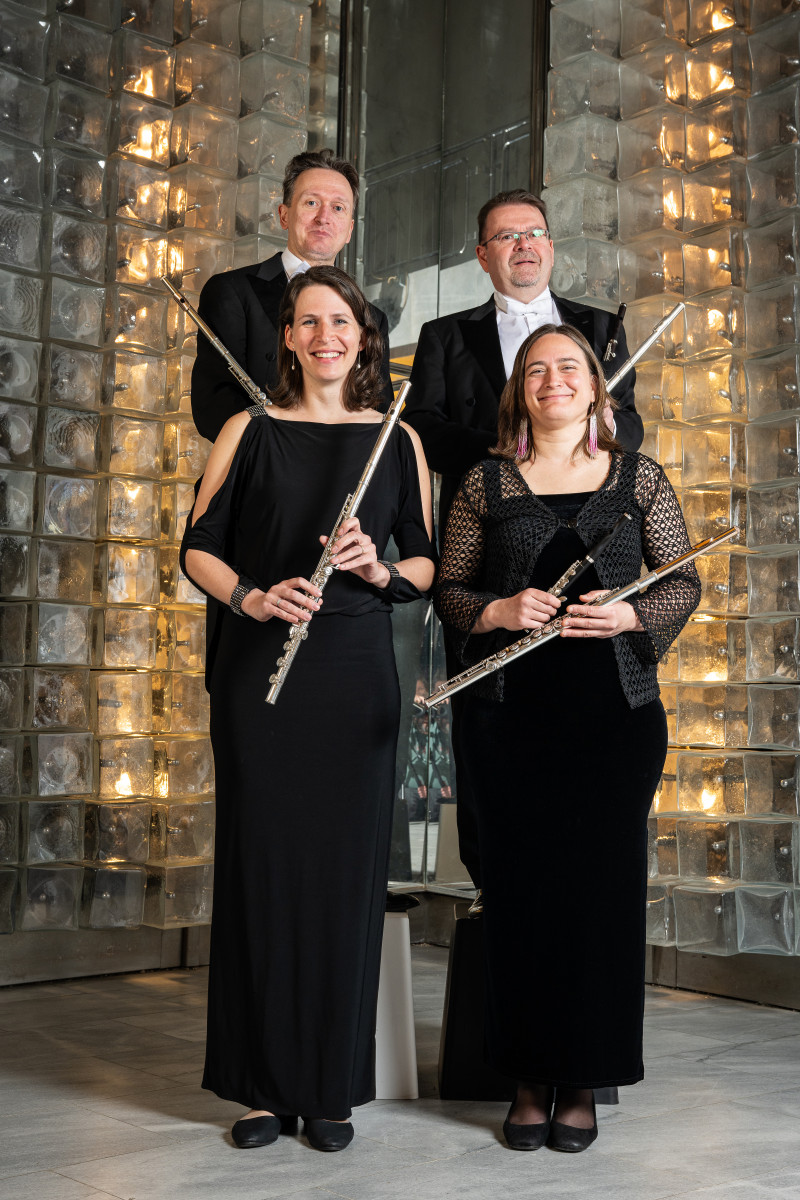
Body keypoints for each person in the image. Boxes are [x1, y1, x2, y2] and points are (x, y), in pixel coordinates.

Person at [180, 266, 436, 1153]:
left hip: (355, 677)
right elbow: (197, 548)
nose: (327, 335)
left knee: (344, 879)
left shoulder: (399, 438)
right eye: (309, 321)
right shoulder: (247, 429)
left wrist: (377, 568)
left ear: (363, 337)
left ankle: (329, 1090)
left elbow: (425, 564)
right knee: (262, 872)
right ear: (287, 336)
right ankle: (258, 1088)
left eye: (342, 321)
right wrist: (252, 598)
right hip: (262, 671)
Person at [434, 324, 699, 1153]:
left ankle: (582, 1081)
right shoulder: (485, 484)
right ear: (521, 390)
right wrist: (500, 610)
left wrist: (627, 615)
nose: (554, 380)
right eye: (537, 370)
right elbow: (450, 591)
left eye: (570, 367)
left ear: (595, 385)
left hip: (614, 722)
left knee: (600, 901)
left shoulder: (639, 478)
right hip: (507, 722)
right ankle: (525, 1079)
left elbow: (683, 583)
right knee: (519, 900)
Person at [406, 188, 643, 894]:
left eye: (533, 232)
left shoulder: (601, 327)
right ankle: (493, 888)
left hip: (589, 531)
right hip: (491, 542)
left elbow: (630, 427)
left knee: (591, 720)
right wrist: (513, 446)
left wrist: (585, 430)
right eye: (506, 236)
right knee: (489, 715)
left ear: (550, 245)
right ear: (484, 255)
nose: (523, 246)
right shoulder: (445, 335)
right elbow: (424, 430)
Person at [191, 149, 394, 443]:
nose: (324, 218)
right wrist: (291, 450)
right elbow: (212, 407)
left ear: (349, 229)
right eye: (311, 203)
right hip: (263, 465)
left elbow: (378, 411)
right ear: (284, 215)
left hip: (344, 467)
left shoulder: (373, 317)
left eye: (338, 208)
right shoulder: (231, 291)